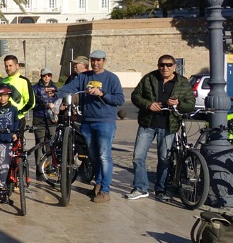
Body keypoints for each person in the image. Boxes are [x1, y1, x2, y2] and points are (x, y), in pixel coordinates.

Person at [56, 49, 125, 203]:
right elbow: (69, 88)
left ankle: (105, 190)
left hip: (105, 122)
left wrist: (103, 94)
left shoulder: (112, 78)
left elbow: (120, 99)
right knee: (93, 156)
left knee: (104, 156)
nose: (96, 63)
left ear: (104, 61)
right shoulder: (83, 77)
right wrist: (54, 95)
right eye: (93, 60)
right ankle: (98, 183)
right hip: (87, 121)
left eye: (99, 60)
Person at [128, 54, 194, 201]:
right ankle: (140, 188)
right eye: (162, 65)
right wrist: (148, 104)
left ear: (174, 66)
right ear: (158, 66)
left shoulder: (182, 82)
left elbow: (190, 104)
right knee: (138, 157)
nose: (165, 68)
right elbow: (135, 96)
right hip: (148, 124)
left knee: (164, 159)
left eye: (169, 65)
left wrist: (178, 104)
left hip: (169, 125)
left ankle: (161, 190)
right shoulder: (149, 78)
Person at [32, 68, 59, 180]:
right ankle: (39, 167)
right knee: (39, 143)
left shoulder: (55, 88)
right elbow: (33, 104)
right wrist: (43, 105)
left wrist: (56, 107)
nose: (46, 77)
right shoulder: (35, 88)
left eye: (49, 75)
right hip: (39, 117)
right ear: (41, 76)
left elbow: (58, 100)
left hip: (51, 118)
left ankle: (49, 166)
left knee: (51, 142)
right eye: (44, 75)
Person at [1, 55, 35, 130]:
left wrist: (20, 112)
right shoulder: (3, 81)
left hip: (18, 119)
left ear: (17, 66)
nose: (8, 68)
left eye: (10, 66)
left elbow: (31, 102)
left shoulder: (24, 81)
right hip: (4, 119)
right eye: (6, 66)